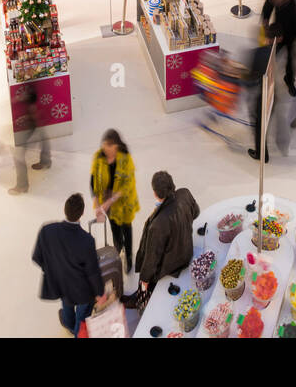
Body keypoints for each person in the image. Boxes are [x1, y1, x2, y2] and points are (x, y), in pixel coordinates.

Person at [32, 193, 105, 337]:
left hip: (60, 283)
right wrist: (99, 293)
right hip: (81, 290)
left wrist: (54, 271)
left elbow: (37, 257)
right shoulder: (86, 241)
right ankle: (77, 332)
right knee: (82, 315)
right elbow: (92, 272)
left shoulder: (47, 230)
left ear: (65, 210)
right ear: (82, 213)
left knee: (66, 304)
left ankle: (68, 323)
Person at [132, 172, 199, 300]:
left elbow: (152, 257)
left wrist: (144, 280)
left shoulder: (158, 224)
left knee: (146, 281)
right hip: (186, 250)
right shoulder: (185, 193)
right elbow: (195, 212)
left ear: (155, 193)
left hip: (171, 264)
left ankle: (139, 299)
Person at [90, 128, 139, 274]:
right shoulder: (98, 157)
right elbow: (92, 181)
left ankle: (129, 257)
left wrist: (109, 201)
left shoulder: (125, 159)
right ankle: (118, 250)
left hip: (124, 202)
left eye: (109, 147)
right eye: (104, 147)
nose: (106, 151)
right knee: (114, 229)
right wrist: (97, 204)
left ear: (116, 146)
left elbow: (127, 186)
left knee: (126, 229)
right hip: (107, 202)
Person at [260, 0, 296, 96]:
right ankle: (263, 77)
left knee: (291, 59)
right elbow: (267, 9)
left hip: (290, 34)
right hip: (277, 34)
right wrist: (266, 29)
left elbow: (294, 19)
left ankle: (289, 80)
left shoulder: (292, 0)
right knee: (270, 56)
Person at [9, 84, 51, 195]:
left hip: (27, 122)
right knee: (43, 135)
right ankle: (46, 161)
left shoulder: (31, 108)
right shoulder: (32, 101)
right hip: (31, 116)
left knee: (18, 155)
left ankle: (22, 185)